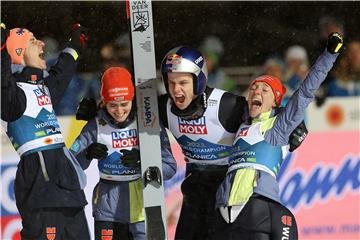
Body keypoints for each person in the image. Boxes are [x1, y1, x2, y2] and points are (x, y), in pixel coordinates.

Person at [157, 46, 308, 240]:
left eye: (183, 82)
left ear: (198, 80)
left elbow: (262, 111)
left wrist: (295, 125)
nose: (176, 90)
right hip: (195, 187)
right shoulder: (163, 107)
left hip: (225, 187)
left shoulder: (226, 105)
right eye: (171, 83)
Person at [213, 32, 343, 239]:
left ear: (275, 102)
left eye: (265, 90)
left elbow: (305, 92)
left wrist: (329, 55)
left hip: (258, 205)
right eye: (254, 88)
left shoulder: (278, 126)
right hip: (225, 210)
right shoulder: (238, 123)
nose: (256, 92)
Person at [1, 23, 91, 239]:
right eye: (33, 40)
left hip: (69, 190)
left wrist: (74, 46)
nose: (41, 43)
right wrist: (2, 50)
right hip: (40, 191)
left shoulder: (44, 88)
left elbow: (64, 70)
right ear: (19, 53)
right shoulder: (11, 98)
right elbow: (2, 83)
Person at [70, 67, 177, 240]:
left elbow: (170, 167)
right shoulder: (95, 124)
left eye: (124, 104)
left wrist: (144, 162)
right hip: (107, 208)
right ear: (104, 102)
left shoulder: (148, 122)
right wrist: (87, 154)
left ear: (133, 99)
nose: (119, 111)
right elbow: (70, 166)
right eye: (113, 105)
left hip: (144, 207)